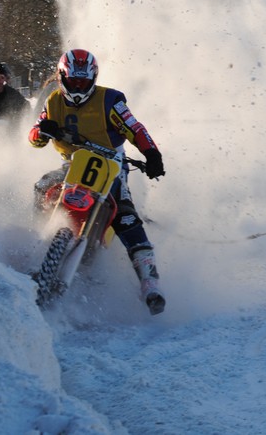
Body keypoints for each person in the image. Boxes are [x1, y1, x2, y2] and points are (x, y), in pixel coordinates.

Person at [29, 49, 167, 315]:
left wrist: (151, 154)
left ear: (93, 79)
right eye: (73, 82)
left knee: (125, 214)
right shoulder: (53, 102)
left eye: (84, 82)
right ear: (62, 78)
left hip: (110, 164)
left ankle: (150, 282)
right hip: (72, 164)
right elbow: (34, 136)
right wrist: (42, 131)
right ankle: (37, 241)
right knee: (41, 186)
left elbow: (134, 128)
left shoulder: (110, 100)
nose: (78, 87)